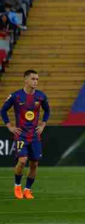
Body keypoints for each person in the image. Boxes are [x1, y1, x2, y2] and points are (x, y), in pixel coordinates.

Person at [2, 70, 50, 200]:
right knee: (22, 161)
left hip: (35, 136)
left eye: (37, 79)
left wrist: (43, 124)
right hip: (21, 135)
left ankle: (27, 190)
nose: (35, 81)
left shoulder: (41, 96)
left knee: (34, 164)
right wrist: (9, 126)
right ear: (26, 80)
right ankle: (17, 186)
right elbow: (3, 111)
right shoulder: (16, 96)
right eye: (33, 79)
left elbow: (47, 111)